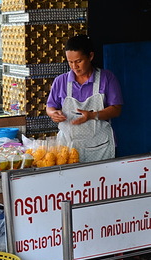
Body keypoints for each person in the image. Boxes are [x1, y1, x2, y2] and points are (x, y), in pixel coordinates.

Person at [46, 34, 123, 163]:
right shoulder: (60, 81)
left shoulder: (106, 78)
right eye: (70, 62)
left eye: (78, 61)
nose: (74, 66)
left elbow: (116, 109)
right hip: (68, 148)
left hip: (100, 148)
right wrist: (53, 113)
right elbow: (50, 106)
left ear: (90, 56)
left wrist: (93, 115)